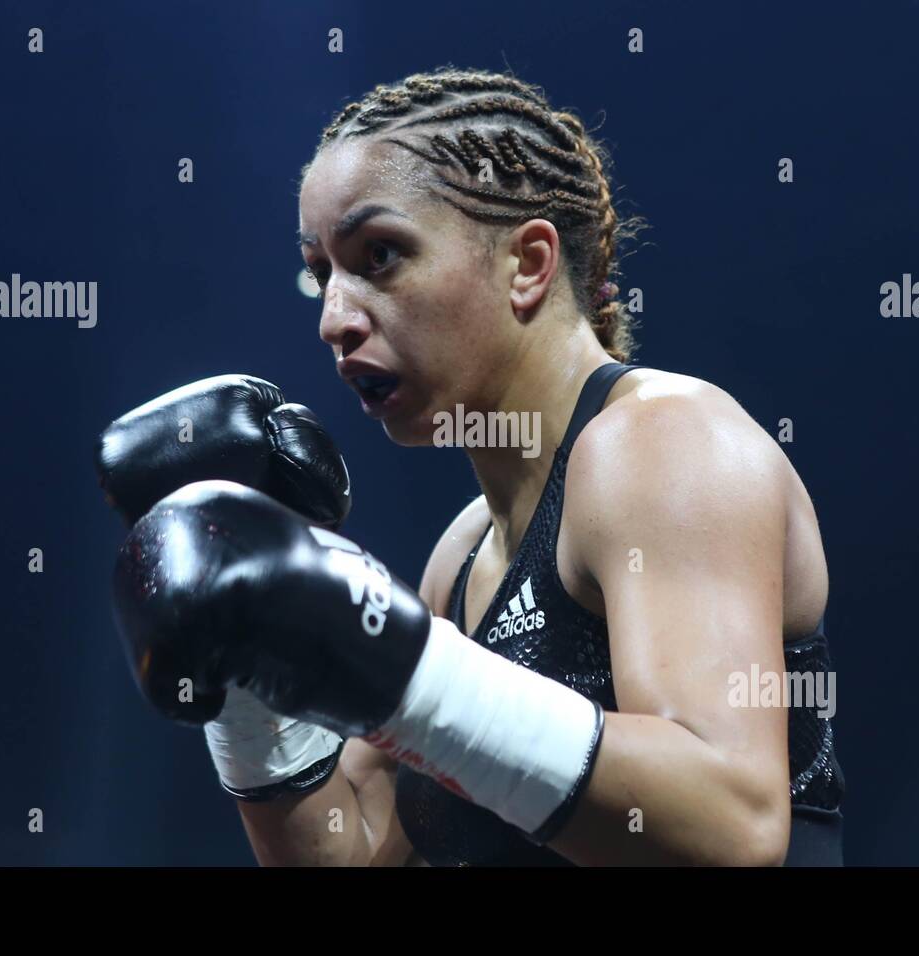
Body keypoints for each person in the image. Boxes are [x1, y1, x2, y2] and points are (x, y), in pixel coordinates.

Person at [97, 67, 844, 866]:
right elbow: (347, 853)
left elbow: (732, 819)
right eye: (321, 275)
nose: (333, 321)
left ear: (527, 264)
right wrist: (246, 692)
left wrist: (401, 671)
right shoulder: (460, 558)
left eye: (378, 255)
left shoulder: (665, 442)